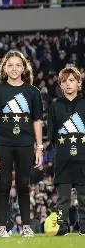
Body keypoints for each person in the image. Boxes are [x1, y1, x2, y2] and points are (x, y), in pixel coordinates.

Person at [0, 50, 43, 238]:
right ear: (4, 68)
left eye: (18, 65)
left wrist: (39, 147)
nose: (14, 69)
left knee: (23, 184)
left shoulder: (32, 92)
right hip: (2, 144)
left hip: (26, 144)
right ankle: (1, 227)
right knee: (3, 185)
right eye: (10, 65)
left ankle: (26, 226)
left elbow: (36, 120)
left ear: (24, 67)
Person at [46, 65, 85, 237]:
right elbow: (52, 135)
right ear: (60, 85)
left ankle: (84, 227)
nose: (68, 84)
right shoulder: (54, 107)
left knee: (84, 198)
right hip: (63, 160)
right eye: (64, 81)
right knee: (63, 199)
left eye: (71, 80)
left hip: (83, 159)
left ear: (79, 83)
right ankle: (62, 228)